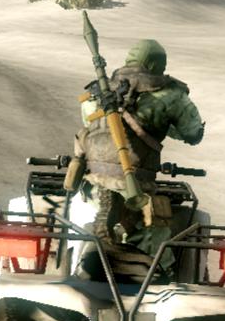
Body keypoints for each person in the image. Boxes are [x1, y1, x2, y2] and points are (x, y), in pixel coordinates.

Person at [75, 38, 204, 275]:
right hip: (136, 184)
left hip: (93, 183)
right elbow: (193, 133)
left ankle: (102, 245)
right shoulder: (170, 94)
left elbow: (91, 128)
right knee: (156, 240)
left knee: (105, 213)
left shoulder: (98, 91)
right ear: (157, 66)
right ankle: (157, 275)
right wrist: (162, 122)